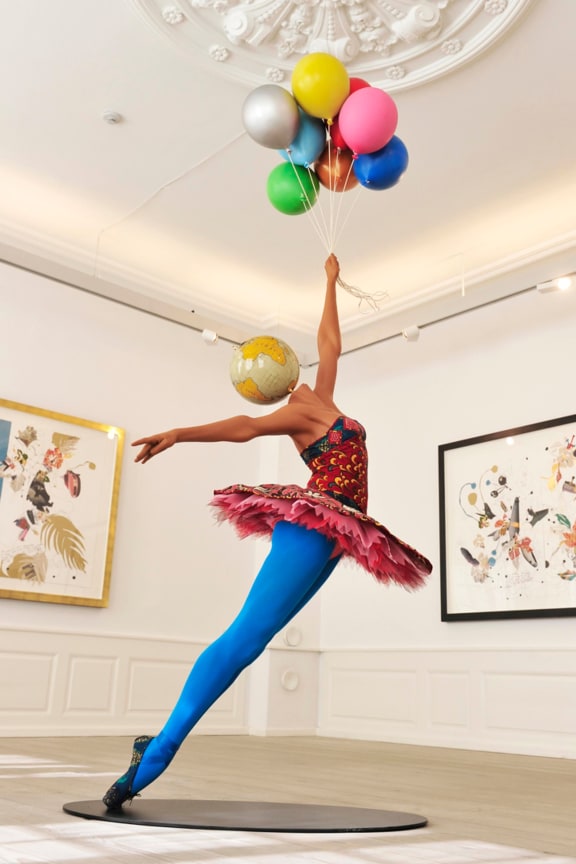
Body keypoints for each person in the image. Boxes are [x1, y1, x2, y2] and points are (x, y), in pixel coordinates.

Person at [102, 254, 432, 810]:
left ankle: (154, 747)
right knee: (245, 639)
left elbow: (331, 344)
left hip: (339, 531)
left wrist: (329, 281)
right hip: (314, 524)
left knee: (257, 639)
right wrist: (181, 433)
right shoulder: (301, 415)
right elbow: (244, 429)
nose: (302, 365)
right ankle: (156, 751)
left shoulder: (322, 398)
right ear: (274, 380)